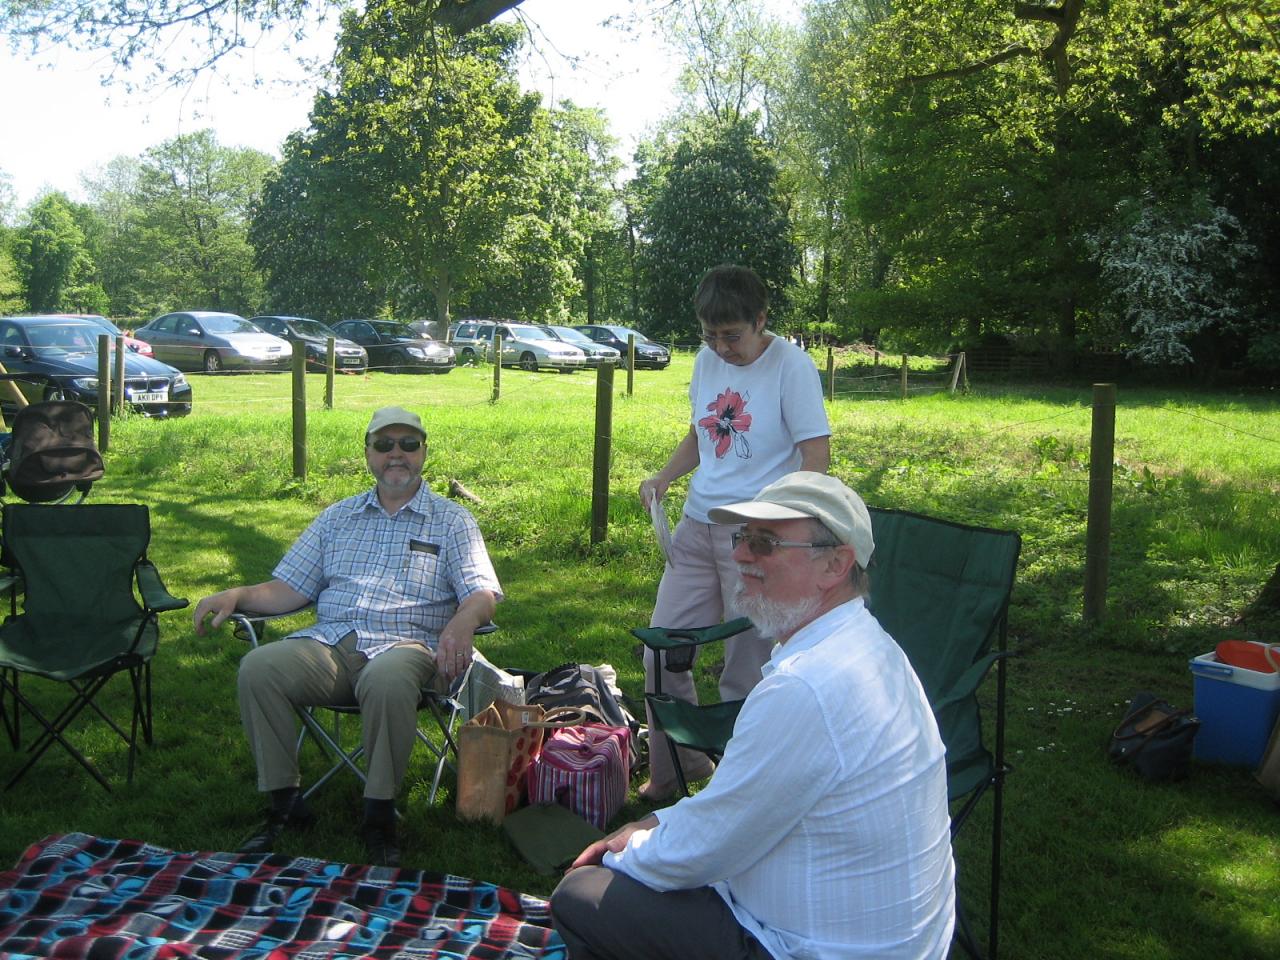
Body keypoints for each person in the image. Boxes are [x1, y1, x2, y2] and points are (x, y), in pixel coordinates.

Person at [551, 471, 956, 960]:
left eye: (765, 543)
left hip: (813, 949)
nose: (740, 555)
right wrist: (652, 822)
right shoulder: (870, 647)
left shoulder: (806, 687)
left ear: (835, 564)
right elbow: (737, 804)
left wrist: (618, 855)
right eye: (741, 537)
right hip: (896, 941)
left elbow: (705, 847)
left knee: (582, 895)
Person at [193, 405, 501, 867]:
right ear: (368, 453)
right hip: (332, 645)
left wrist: (463, 620)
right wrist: (237, 594)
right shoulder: (338, 517)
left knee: (387, 678)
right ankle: (285, 804)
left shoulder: (452, 520)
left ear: (423, 452)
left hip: (410, 646)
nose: (396, 454)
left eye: (408, 444)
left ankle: (379, 814)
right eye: (384, 444)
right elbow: (289, 589)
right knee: (258, 667)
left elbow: (482, 592)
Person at [638, 264, 830, 800]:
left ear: (761, 320)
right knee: (662, 652)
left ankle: (744, 789)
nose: (721, 348)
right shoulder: (706, 361)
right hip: (698, 528)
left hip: (757, 536)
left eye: (732, 336)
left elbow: (816, 458)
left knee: (745, 670)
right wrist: (664, 477)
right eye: (710, 336)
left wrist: (779, 525)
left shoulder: (792, 366)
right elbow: (702, 435)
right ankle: (678, 768)